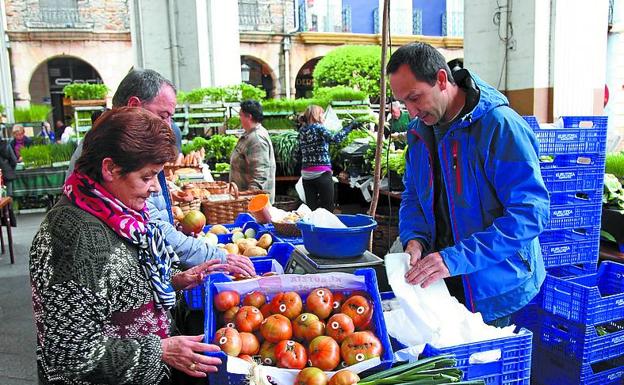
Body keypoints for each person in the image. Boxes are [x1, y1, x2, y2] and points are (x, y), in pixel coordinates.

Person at [30, 108, 246, 384]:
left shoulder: (116, 212)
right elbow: (69, 353)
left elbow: (114, 286)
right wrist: (161, 350)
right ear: (109, 168)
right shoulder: (73, 236)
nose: (156, 187)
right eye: (147, 177)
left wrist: (175, 281)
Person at [387, 42, 550, 326]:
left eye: (415, 98)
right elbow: (413, 195)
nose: (411, 112)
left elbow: (530, 214)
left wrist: (456, 259)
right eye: (403, 103)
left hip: (496, 286)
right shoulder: (419, 133)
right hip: (440, 281)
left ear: (441, 79)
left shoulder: (499, 126)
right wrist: (414, 239)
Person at [67, 69, 252, 273]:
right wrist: (217, 258)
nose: (169, 126)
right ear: (134, 106)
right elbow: (153, 230)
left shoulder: (122, 152)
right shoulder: (112, 154)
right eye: (163, 116)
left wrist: (173, 280)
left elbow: (150, 228)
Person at [297, 104, 355, 211]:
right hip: (321, 173)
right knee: (328, 207)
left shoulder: (302, 130)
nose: (323, 117)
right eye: (322, 115)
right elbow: (335, 139)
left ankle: (312, 227)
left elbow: (299, 151)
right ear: (317, 115)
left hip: (306, 175)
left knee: (311, 209)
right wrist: (349, 128)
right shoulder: (318, 128)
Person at [230, 99, 276, 202]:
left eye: (240, 115)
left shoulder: (257, 139)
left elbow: (260, 172)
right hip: (245, 199)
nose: (239, 118)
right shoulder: (250, 134)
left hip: (254, 202)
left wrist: (250, 198)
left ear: (249, 116)